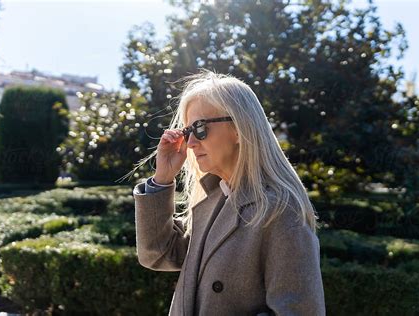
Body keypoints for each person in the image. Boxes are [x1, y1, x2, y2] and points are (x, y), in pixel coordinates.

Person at [133, 69, 326, 315]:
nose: (190, 143)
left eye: (200, 128)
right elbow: (157, 254)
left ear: (238, 128)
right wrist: (162, 179)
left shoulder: (281, 211)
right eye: (187, 131)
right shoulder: (214, 200)